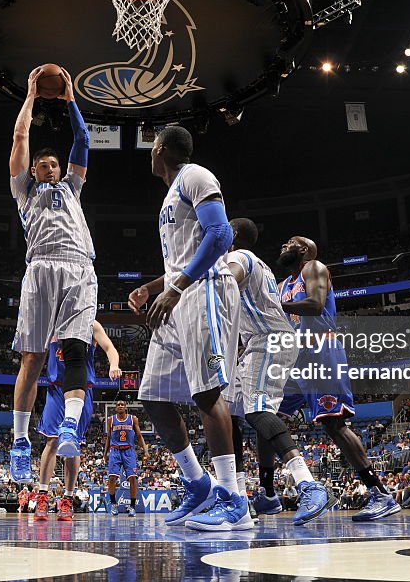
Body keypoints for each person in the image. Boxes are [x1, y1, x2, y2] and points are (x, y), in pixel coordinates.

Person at [128, 124, 250, 532]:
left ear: (160, 148)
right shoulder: (171, 191)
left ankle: (233, 498)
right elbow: (183, 256)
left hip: (204, 293)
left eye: (151, 146)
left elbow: (220, 234)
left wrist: (177, 286)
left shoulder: (196, 175)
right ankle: (198, 483)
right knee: (153, 397)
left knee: (207, 393)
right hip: (177, 296)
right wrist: (153, 286)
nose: (149, 152)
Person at [8, 65, 97, 483]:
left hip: (80, 266)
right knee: (33, 357)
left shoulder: (72, 189)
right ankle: (20, 442)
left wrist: (71, 99)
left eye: (53, 164)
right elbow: (20, 138)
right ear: (34, 172)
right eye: (42, 165)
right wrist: (30, 94)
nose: (49, 168)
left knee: (75, 351)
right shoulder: (25, 192)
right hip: (41, 266)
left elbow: (82, 139)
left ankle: (68, 428)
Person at [277, 237, 401, 522]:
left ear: (304, 250)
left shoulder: (314, 267)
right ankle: (269, 493)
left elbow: (316, 304)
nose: (285, 245)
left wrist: (277, 306)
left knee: (334, 425)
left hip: (321, 349)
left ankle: (379, 493)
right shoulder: (283, 284)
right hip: (296, 356)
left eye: (291, 242)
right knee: (265, 415)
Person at [221, 218, 330, 526]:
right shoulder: (254, 264)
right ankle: (241, 498)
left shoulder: (237, 258)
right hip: (255, 342)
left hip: (270, 338)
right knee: (230, 417)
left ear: (234, 235)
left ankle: (308, 484)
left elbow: (224, 285)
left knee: (257, 411)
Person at [35, 320, 121, 521]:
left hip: (82, 390)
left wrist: (114, 364)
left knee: (73, 444)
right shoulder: (52, 322)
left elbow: (110, 348)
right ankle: (42, 495)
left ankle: (67, 498)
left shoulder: (91, 324)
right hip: (56, 388)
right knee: (51, 441)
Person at [105, 400, 148, 517]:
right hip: (115, 450)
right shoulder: (111, 420)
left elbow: (139, 435)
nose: (120, 406)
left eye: (122, 404)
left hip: (129, 450)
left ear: (126, 407)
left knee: (133, 478)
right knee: (112, 478)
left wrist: (145, 450)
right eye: (118, 405)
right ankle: (113, 504)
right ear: (115, 408)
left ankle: (132, 507)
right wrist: (105, 453)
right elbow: (108, 437)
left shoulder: (133, 419)